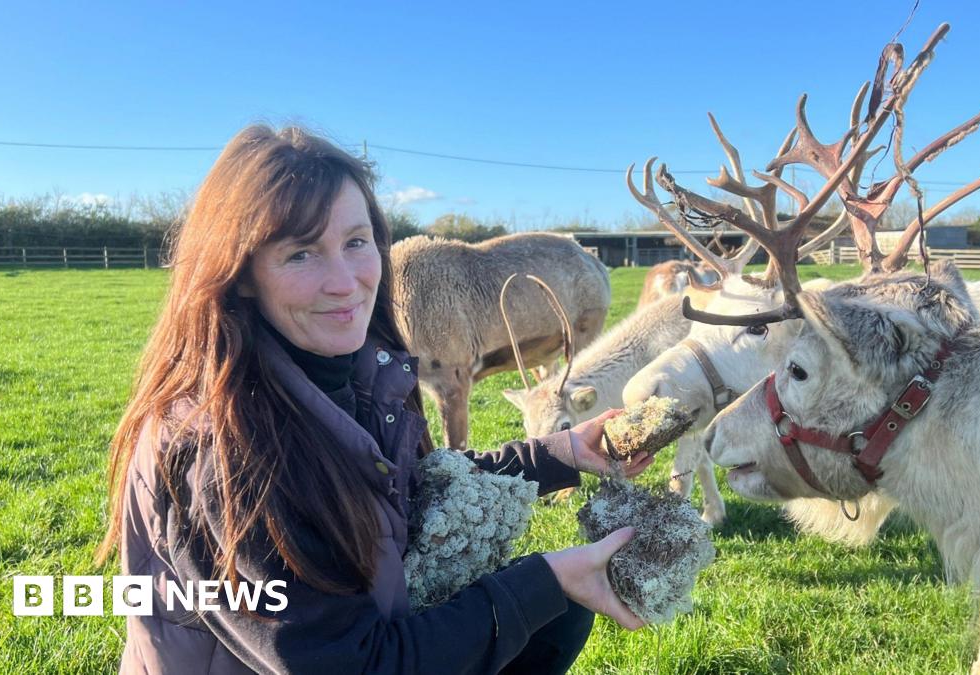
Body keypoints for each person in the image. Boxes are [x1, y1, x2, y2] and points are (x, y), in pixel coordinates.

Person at [96, 125, 654, 674]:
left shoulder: (350, 376)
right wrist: (544, 580)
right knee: (547, 599)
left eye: (356, 243)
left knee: (553, 615)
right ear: (240, 274)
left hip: (359, 636)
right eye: (300, 254)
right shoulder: (227, 451)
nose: (345, 281)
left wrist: (560, 453)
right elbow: (355, 664)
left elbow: (413, 480)